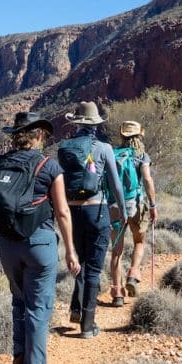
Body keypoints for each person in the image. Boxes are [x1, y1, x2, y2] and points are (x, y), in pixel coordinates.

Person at [0, 111, 80, 364]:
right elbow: (62, 212)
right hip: (39, 245)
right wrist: (70, 249)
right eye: (42, 136)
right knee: (38, 310)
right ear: (36, 137)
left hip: (6, 245)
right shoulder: (49, 166)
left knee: (19, 302)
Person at [59, 101, 127, 338]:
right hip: (97, 210)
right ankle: (87, 325)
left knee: (80, 260)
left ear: (76, 123)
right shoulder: (104, 148)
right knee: (94, 268)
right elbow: (115, 183)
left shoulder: (65, 147)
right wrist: (123, 210)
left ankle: (76, 308)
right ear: (96, 124)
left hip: (72, 211)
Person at [109, 120, 158, 306]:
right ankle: (133, 273)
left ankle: (118, 294)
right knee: (139, 241)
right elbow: (147, 179)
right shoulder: (142, 156)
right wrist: (153, 205)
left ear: (122, 136)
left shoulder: (113, 154)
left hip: (114, 206)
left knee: (116, 250)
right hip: (136, 205)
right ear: (139, 136)